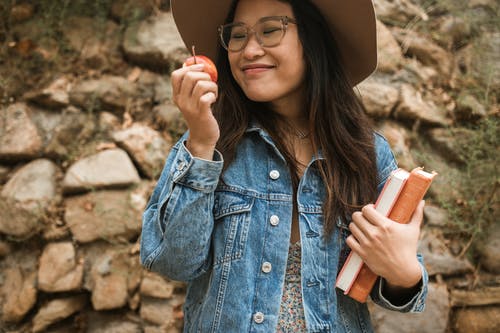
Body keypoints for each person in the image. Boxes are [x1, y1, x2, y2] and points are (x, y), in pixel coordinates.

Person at [140, 0, 429, 332]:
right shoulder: (209, 143)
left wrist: (404, 272)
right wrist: (201, 144)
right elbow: (172, 263)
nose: (249, 50)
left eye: (270, 30)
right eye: (237, 35)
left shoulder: (365, 152)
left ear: (313, 39)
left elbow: (393, 285)